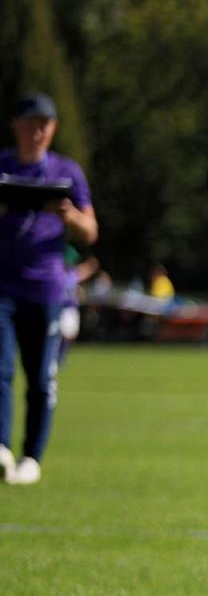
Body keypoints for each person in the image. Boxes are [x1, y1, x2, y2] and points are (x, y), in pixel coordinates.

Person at [0, 93, 96, 486]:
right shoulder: (3, 166)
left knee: (41, 377)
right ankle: (2, 447)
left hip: (47, 288)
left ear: (53, 129)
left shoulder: (67, 171)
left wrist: (69, 215)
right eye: (31, 123)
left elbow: (91, 232)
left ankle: (31, 457)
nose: (38, 131)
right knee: (0, 368)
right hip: (3, 286)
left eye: (45, 124)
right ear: (17, 126)